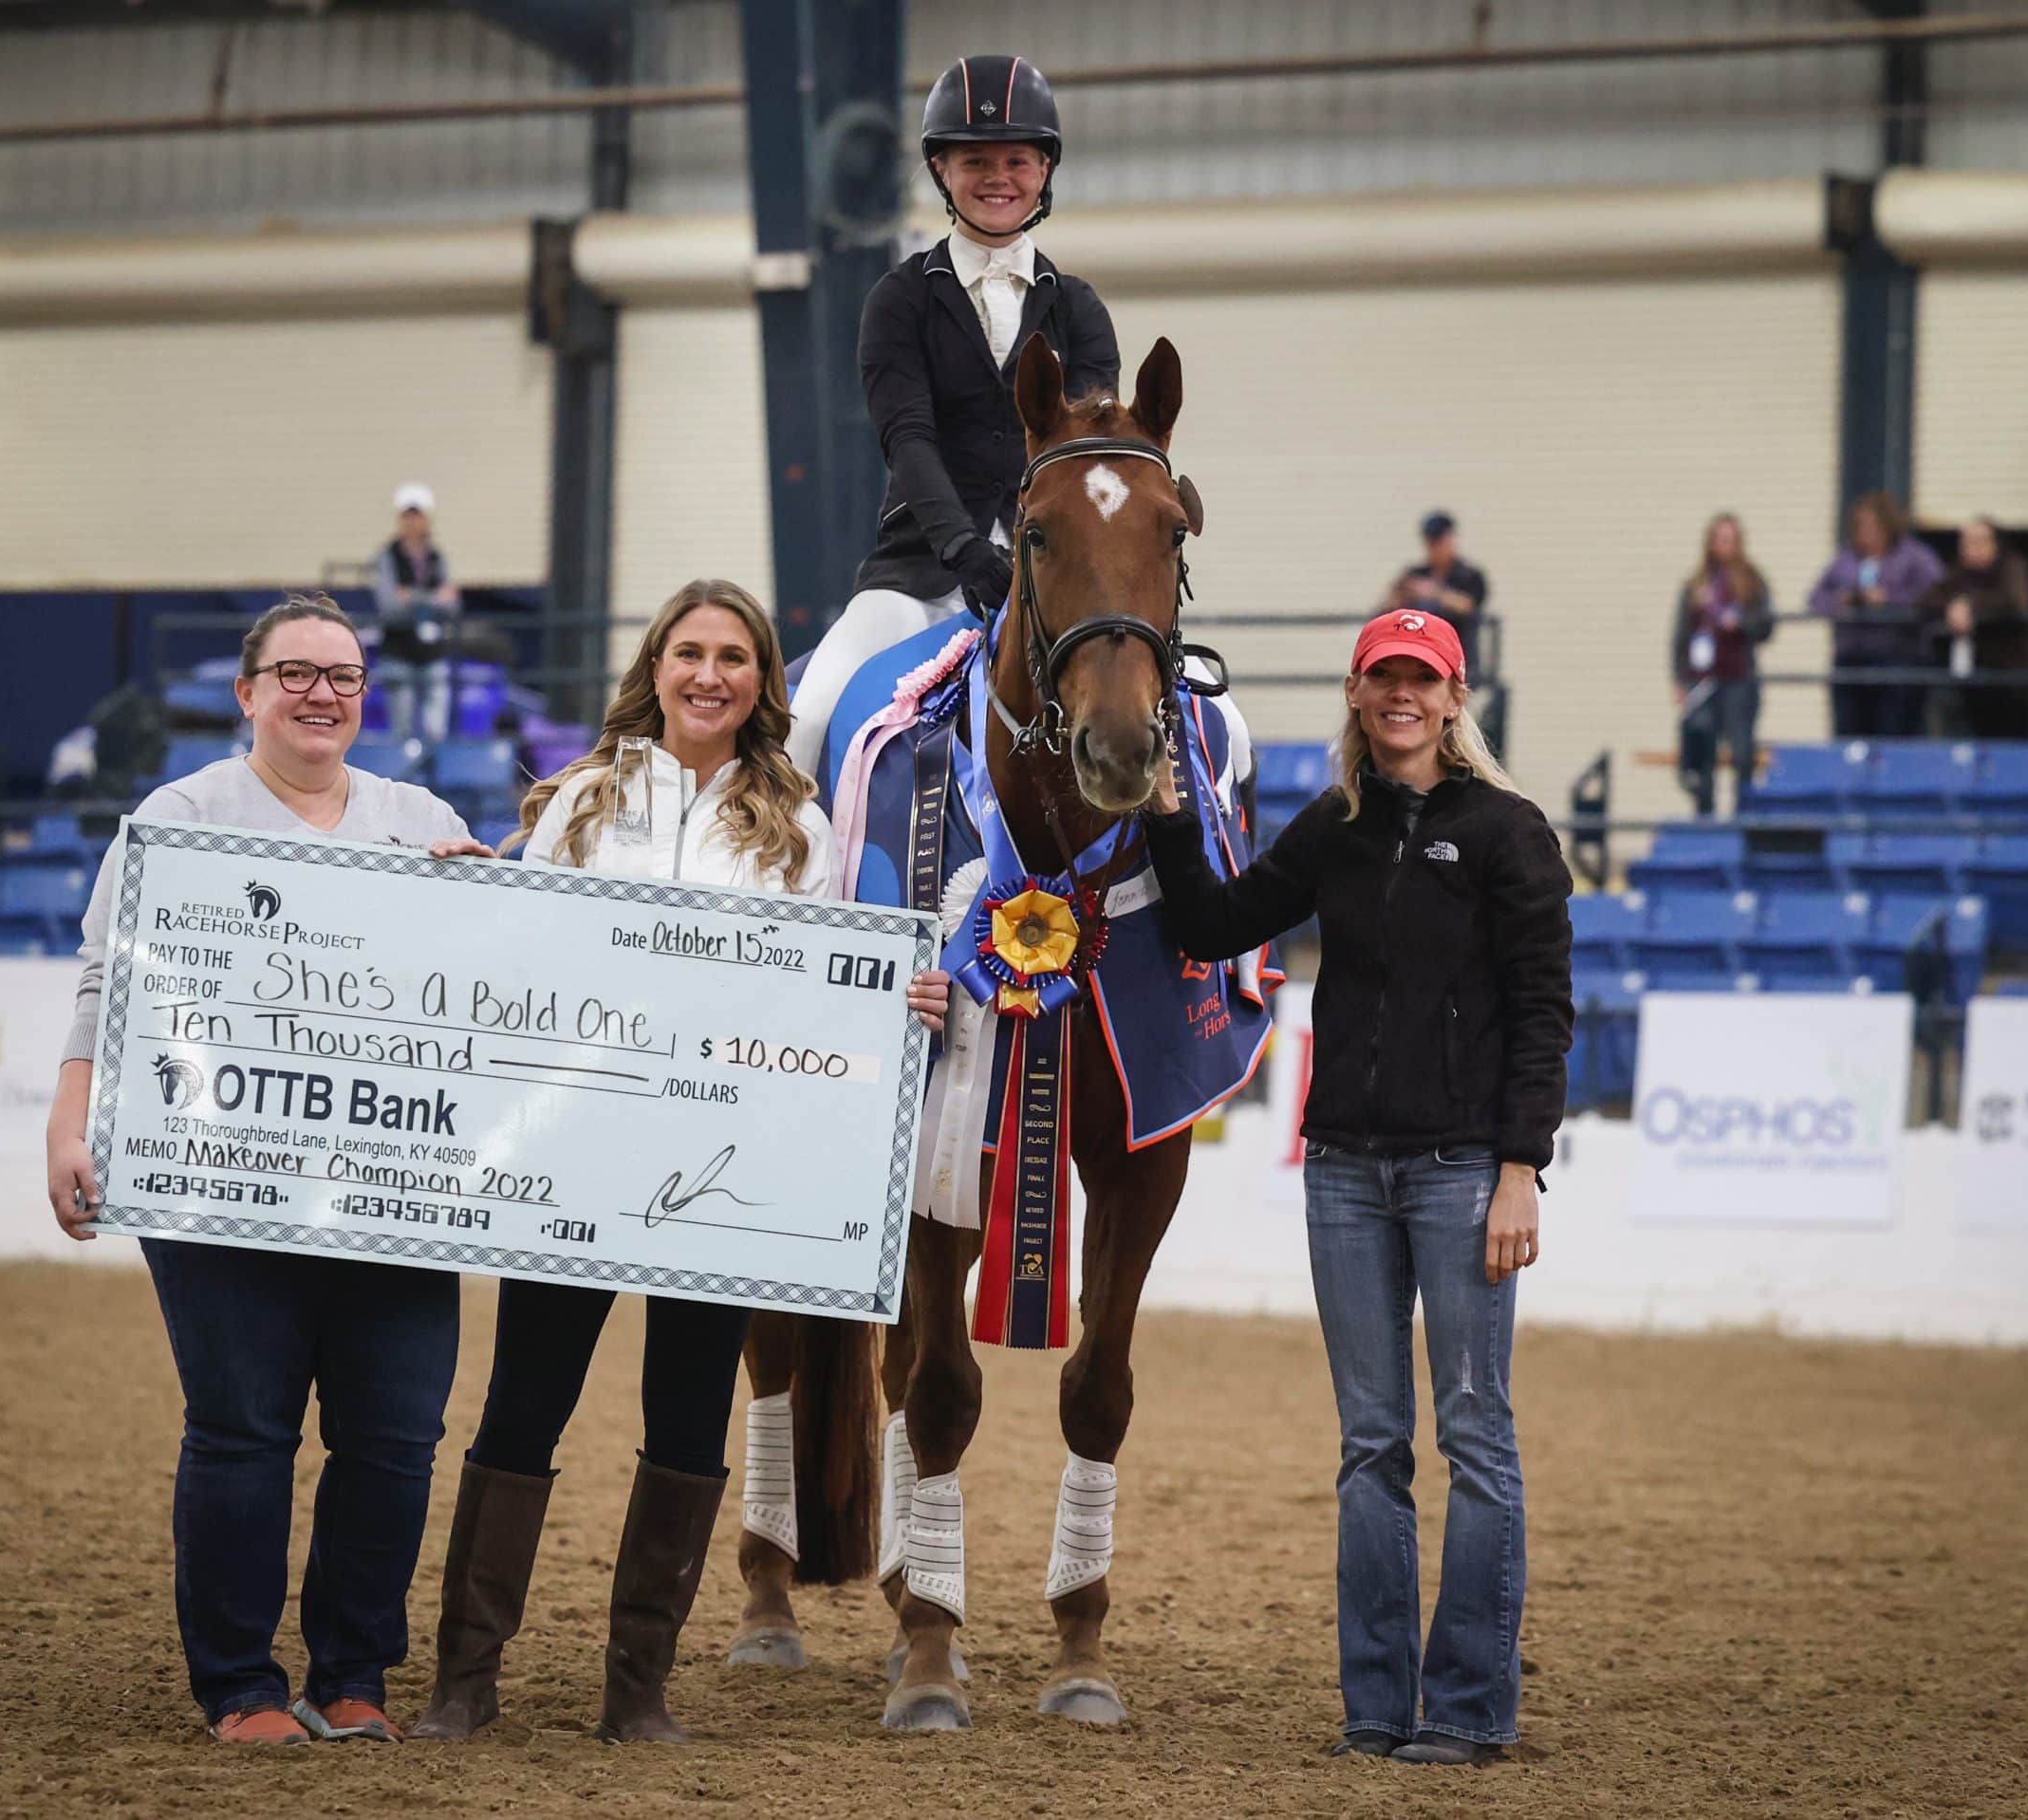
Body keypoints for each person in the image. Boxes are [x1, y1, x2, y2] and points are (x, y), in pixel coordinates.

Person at [409, 579, 950, 1746]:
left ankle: (636, 1687)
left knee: (686, 1421)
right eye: (690, 652)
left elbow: (827, 990)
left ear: (764, 680)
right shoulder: (580, 804)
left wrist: (891, 993)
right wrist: (458, 895)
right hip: (571, 1165)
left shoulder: (799, 827)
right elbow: (517, 955)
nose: (710, 675)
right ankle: (465, 1677)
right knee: (521, 1409)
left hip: (718, 1182)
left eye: (735, 657)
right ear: (655, 666)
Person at [1139, 606, 1572, 1766]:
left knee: (1475, 1437)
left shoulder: (1510, 833)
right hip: (1341, 1169)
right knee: (1369, 1446)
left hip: (1462, 1170)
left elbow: (1542, 1013)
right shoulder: (1333, 827)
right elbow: (1213, 921)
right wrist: (1170, 820)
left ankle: (1471, 1707)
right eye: (1383, 678)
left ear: (1451, 698)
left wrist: (1520, 1166)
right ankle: (1377, 1708)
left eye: (1419, 681)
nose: (1400, 697)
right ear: (1354, 691)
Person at [43, 592, 474, 1745]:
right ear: (247, 692)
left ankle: (352, 1674)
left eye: (342, 674)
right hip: (215, 1180)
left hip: (395, 1183)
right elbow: (105, 984)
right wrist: (69, 1123)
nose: (321, 692)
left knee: (394, 1436)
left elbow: (486, 990)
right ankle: (238, 1683)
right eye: (295, 672)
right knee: (242, 1430)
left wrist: (491, 906)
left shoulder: (418, 816)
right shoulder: (176, 816)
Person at [782, 53, 1118, 778]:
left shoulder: (1080, 310)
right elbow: (908, 436)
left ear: (1045, 171)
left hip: (1060, 583)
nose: (999, 177)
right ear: (941, 171)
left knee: (1218, 729)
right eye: (975, 160)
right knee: (806, 720)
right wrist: (964, 550)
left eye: (1017, 160)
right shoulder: (899, 301)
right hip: (920, 579)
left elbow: (1088, 451)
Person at [1807, 492, 1944, 738]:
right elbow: (1815, 599)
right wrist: (1841, 599)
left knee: (1892, 735)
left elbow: (1937, 596)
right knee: (1849, 734)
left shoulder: (1914, 556)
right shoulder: (1845, 559)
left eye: (1871, 525)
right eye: (1860, 525)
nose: (1865, 532)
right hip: (1850, 662)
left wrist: (1889, 599)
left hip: (1898, 664)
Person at [1671, 511, 1776, 817]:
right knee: (1701, 749)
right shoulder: (1695, 585)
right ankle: (1706, 815)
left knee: (1742, 749)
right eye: (1719, 539)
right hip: (1703, 679)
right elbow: (1681, 635)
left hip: (1739, 678)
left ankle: (1743, 814)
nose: (1724, 546)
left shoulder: (1752, 582)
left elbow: (1766, 625)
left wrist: (1740, 622)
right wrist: (1679, 679)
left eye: (1730, 539)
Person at [1916, 516, 2028, 739]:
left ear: (1995, 544)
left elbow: (2014, 602)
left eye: (1980, 541)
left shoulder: (2012, 567)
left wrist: (1971, 607)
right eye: (1967, 542)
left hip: (2010, 683)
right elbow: (1927, 601)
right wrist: (1952, 607)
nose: (1973, 548)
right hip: (1971, 684)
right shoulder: (1957, 573)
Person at [370, 481, 464, 743]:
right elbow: (389, 608)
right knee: (401, 733)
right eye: (407, 515)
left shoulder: (437, 558)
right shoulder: (387, 557)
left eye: (418, 515)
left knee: (436, 733)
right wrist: (434, 599)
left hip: (432, 653)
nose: (413, 522)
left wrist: (411, 597)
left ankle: (433, 781)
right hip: (398, 652)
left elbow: (452, 605)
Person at [1389, 511, 1491, 680]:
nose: (1434, 547)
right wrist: (1403, 594)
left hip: (1460, 658)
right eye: (1430, 542)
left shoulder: (1469, 575)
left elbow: (1469, 605)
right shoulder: (1416, 574)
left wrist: (1434, 593)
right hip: (1419, 658)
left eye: (1439, 541)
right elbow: (1388, 608)